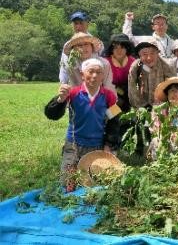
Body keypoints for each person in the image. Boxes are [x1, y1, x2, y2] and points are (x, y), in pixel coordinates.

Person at [44, 58, 121, 189]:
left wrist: (108, 145)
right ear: (82, 74)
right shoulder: (72, 93)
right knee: (68, 184)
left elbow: (114, 122)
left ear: (103, 76)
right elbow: (52, 114)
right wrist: (60, 99)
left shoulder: (109, 96)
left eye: (99, 72)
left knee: (98, 183)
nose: (95, 76)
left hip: (97, 145)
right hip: (74, 145)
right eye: (91, 72)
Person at [148, 77, 178, 160]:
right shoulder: (159, 108)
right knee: (157, 140)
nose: (176, 94)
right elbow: (155, 129)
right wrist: (166, 133)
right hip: (164, 137)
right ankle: (159, 162)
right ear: (167, 94)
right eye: (172, 90)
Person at [128, 37, 176, 109]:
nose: (149, 58)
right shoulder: (135, 67)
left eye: (152, 53)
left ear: (157, 53)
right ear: (139, 55)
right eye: (144, 54)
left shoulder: (167, 66)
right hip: (141, 107)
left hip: (163, 106)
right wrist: (143, 107)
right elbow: (133, 90)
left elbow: (174, 87)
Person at [59, 11, 103, 84]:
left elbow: (102, 65)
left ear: (87, 24)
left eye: (81, 23)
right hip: (75, 86)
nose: (78, 26)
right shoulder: (68, 45)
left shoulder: (98, 44)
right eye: (76, 23)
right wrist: (63, 84)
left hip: (94, 85)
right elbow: (64, 67)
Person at [103, 33, 135, 112]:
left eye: (122, 47)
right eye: (116, 48)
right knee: (118, 103)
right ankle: (108, 120)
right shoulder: (106, 62)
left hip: (128, 94)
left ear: (127, 48)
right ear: (111, 49)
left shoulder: (133, 61)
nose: (119, 50)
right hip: (109, 93)